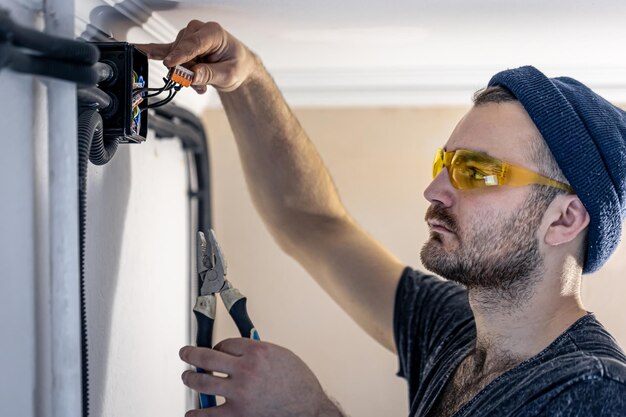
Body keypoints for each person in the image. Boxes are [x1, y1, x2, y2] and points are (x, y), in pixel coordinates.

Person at [137, 20, 626, 417]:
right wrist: (249, 81)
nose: (434, 191)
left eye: (475, 171)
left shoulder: (595, 395)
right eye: (445, 165)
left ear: (564, 220)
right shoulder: (453, 332)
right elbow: (313, 225)